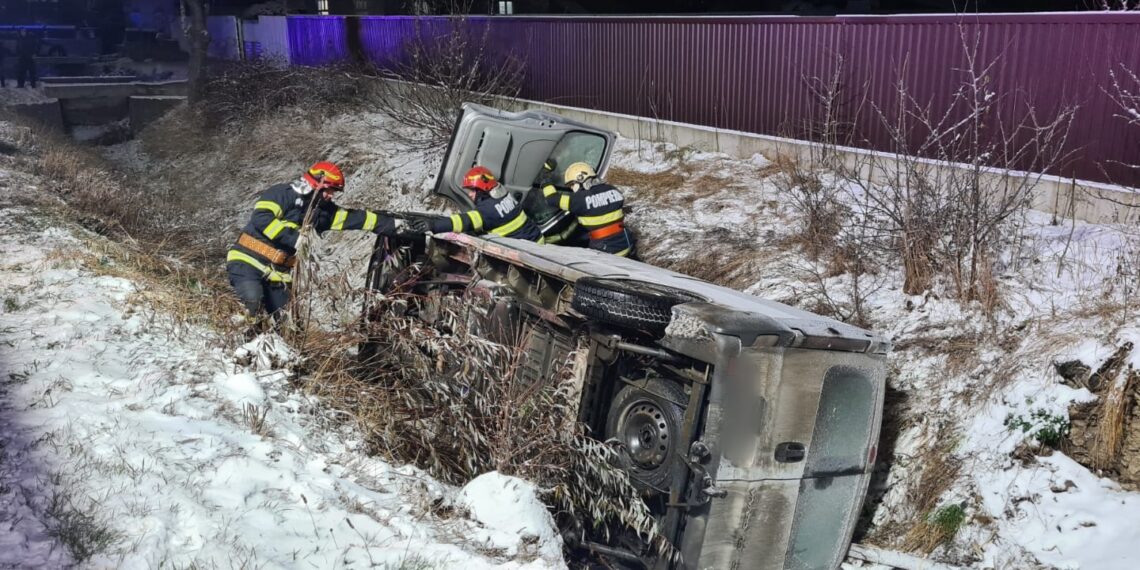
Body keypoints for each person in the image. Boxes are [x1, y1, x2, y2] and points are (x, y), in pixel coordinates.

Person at [226, 161, 426, 321]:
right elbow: (262, 218)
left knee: (286, 324)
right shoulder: (281, 194)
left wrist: (400, 225)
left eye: (334, 192)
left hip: (278, 276)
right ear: (315, 183)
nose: (331, 196)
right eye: (329, 190)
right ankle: (237, 353)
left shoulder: (324, 214)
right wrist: (296, 240)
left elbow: (363, 219)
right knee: (252, 302)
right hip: (247, 263)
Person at [428, 166, 543, 242]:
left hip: (529, 251)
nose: (470, 194)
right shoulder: (504, 194)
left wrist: (433, 226)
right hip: (536, 239)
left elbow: (464, 222)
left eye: (472, 190)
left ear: (482, 188)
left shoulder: (489, 209)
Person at [545, 162, 635, 258]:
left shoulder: (579, 200)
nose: (571, 189)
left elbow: (551, 199)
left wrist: (545, 180)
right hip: (626, 243)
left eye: (572, 184)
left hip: (606, 252)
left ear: (580, 179)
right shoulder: (613, 189)